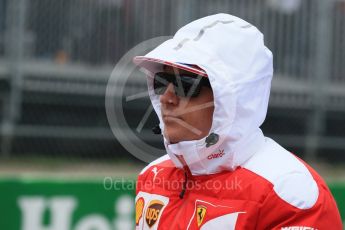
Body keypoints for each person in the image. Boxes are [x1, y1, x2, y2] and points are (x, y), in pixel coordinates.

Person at [133, 13, 342, 229]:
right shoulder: (152, 177)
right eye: (161, 82)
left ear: (233, 99)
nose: (166, 97)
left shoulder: (290, 191)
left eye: (185, 85)